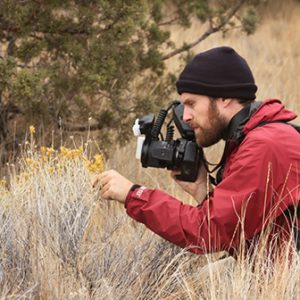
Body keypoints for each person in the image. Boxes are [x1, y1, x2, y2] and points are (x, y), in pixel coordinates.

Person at [93, 46, 300, 257]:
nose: (185, 116)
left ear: (224, 98)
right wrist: (202, 190)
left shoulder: (265, 145)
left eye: (191, 104)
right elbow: (244, 235)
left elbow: (208, 233)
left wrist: (134, 194)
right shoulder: (250, 137)